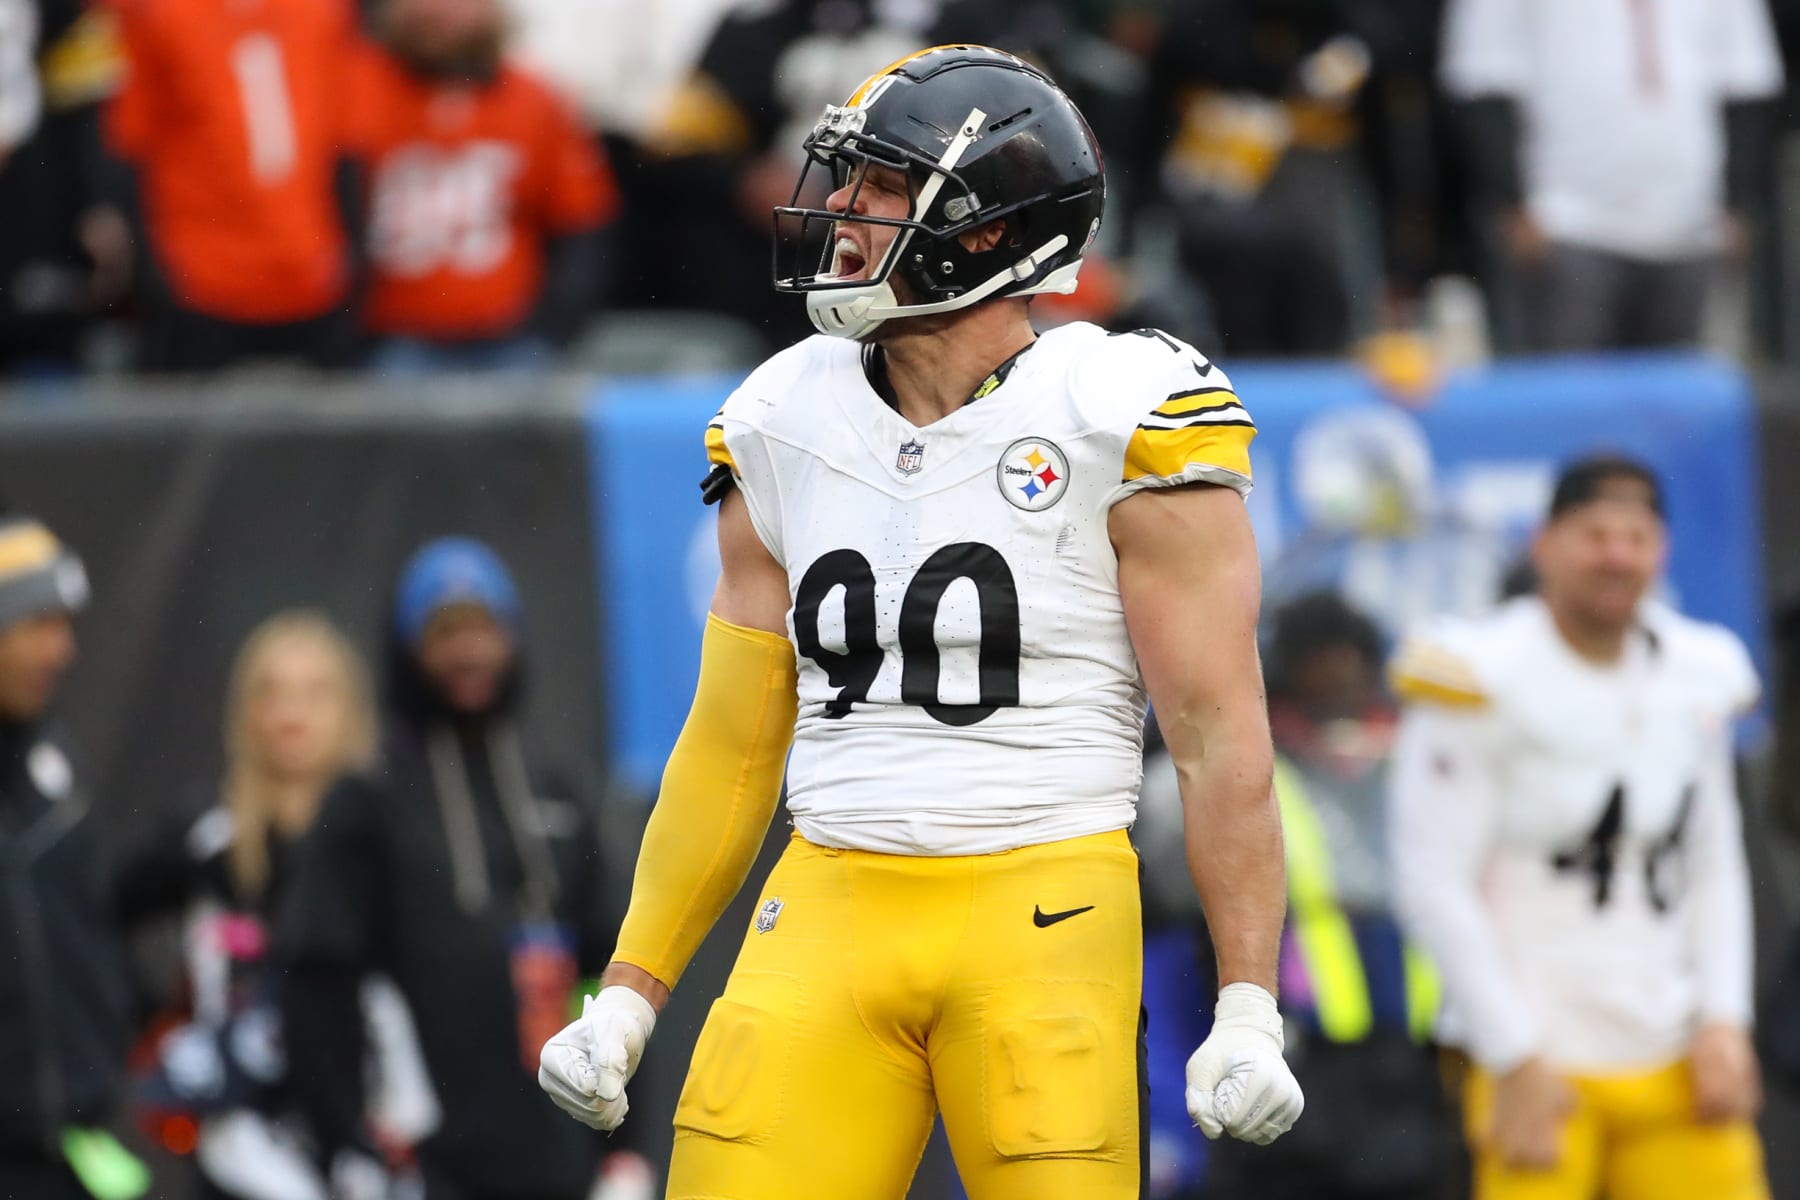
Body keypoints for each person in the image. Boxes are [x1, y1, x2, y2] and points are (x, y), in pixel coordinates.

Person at [537, 44, 1303, 1200]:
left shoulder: (1122, 408)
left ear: (990, 228)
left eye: (880, 185)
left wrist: (1248, 1001)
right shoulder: (782, 414)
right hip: (833, 897)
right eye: (845, 181)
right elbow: (732, 743)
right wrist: (633, 988)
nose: (841, 213)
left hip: (1042, 897)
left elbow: (1213, 729)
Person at [1389, 456, 1766, 1200]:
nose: (1617, 555)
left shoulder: (1701, 668)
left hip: (1674, 1045)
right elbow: (1431, 882)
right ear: (1545, 543)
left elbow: (1713, 863)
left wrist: (1726, 1017)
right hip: (1540, 1056)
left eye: (1637, 536)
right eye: (1595, 533)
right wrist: (1513, 1055)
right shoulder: (1477, 673)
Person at [280, 538, 624, 1200]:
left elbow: (610, 968)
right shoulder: (368, 800)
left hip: (563, 1162)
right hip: (423, 1170)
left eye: (484, 627)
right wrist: (345, 1142)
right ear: (407, 647)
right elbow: (317, 985)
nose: (469, 651)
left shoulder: (560, 789)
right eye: (445, 631)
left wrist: (622, 1152)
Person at [115, 611, 386, 1200]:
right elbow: (95, 921)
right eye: (271, 691)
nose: (292, 712)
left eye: (316, 692)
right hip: (240, 1157)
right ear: (245, 711)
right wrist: (162, 1031)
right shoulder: (204, 837)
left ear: (351, 710)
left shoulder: (386, 839)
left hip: (371, 1147)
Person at [1440, 0, 1783, 352]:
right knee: (1570, 393)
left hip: (1690, 223)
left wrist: (1739, 200)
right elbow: (1481, 77)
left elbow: (1746, 79)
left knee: (1677, 395)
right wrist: (1511, 200)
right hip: (1566, 224)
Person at [345, 0, 617, 374]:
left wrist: (549, 331)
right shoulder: (354, 88)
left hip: (510, 341)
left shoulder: (535, 99)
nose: (436, 12)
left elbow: (583, 222)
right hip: (390, 341)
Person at [0, 516, 146, 1200]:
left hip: (78, 1156)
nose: (62, 652)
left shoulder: (51, 769)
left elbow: (89, 936)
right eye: (39, 626)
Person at [106, 0, 359, 370]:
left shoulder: (325, 13)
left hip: (313, 274)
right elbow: (130, 146)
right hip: (199, 280)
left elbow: (345, 139)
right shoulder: (156, 15)